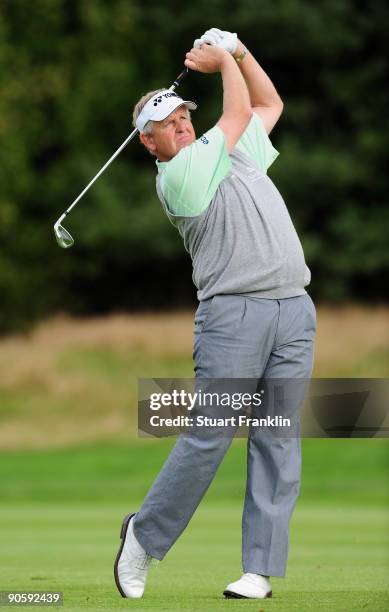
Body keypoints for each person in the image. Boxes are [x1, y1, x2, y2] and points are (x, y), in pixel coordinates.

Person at [114, 27, 316, 600]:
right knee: (209, 436)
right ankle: (143, 538)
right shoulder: (178, 175)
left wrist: (243, 53)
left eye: (182, 115)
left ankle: (258, 571)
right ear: (150, 144)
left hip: (293, 310)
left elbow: (267, 104)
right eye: (166, 124)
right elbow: (233, 113)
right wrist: (225, 57)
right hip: (234, 316)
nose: (180, 124)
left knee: (277, 437)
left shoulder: (238, 151)